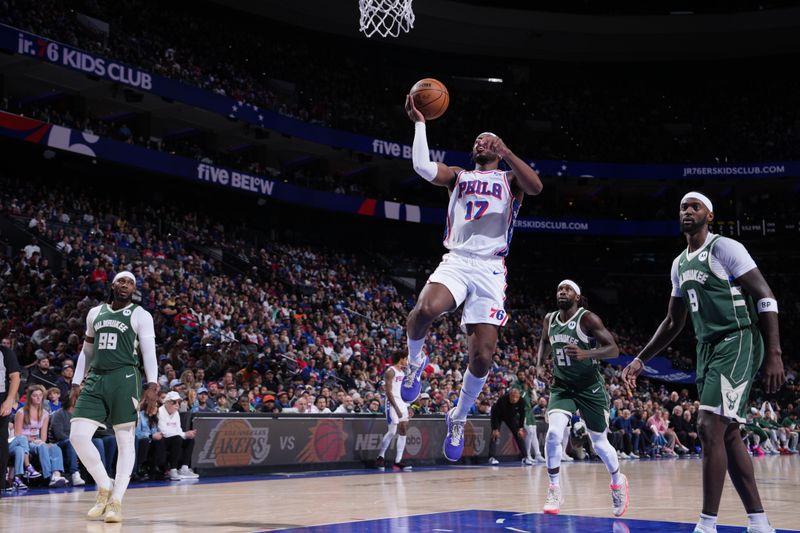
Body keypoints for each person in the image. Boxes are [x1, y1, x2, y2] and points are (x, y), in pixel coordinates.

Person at [622, 192, 785, 533]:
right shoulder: (679, 263)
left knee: (709, 425)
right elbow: (672, 322)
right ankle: (758, 522)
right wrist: (640, 359)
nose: (687, 211)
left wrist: (774, 352)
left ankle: (707, 524)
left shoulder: (725, 248)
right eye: (683, 207)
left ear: (709, 216)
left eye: (695, 206)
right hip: (707, 349)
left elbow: (765, 296)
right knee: (728, 435)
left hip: (738, 338)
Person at [401, 95, 544, 462]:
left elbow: (537, 187)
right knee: (425, 309)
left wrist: (508, 150)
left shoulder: (510, 179)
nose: (482, 141)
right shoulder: (459, 177)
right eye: (478, 140)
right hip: (458, 259)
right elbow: (421, 166)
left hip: (491, 269)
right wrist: (420, 123)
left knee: (482, 357)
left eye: (489, 139)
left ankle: (458, 415)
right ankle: (415, 363)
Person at [69, 271, 159, 523]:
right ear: (113, 285)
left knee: (125, 441)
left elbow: (149, 353)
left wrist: (152, 385)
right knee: (77, 435)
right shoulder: (95, 313)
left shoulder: (141, 315)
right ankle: (104, 485)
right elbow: (86, 350)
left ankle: (116, 500)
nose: (126, 285)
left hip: (125, 378)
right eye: (121, 281)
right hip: (96, 377)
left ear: (134, 289)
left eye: (130, 282)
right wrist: (77, 381)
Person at [536, 280, 627, 517]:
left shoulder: (588, 319)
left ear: (578, 296)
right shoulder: (550, 319)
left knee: (599, 444)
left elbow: (614, 349)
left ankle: (618, 481)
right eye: (559, 289)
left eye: (567, 289)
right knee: (554, 433)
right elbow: (545, 342)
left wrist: (586, 352)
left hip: (589, 387)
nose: (562, 292)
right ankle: (555, 487)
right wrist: (539, 364)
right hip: (562, 386)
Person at [15, 384, 68, 487]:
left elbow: (43, 434)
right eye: (35, 395)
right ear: (30, 397)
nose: (38, 398)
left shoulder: (44, 413)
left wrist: (42, 441)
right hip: (25, 443)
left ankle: (56, 474)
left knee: (54, 446)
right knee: (42, 446)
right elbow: (17, 434)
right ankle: (48, 476)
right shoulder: (21, 412)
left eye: (40, 395)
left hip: (37, 442)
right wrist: (32, 440)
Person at [375, 351, 413, 471]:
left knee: (403, 429)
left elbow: (405, 392)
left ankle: (398, 461)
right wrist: (396, 408)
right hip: (391, 403)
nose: (407, 361)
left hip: (402, 403)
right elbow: (388, 391)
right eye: (405, 359)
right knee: (392, 431)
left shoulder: (403, 372)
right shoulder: (390, 371)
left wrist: (408, 405)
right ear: (401, 359)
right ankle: (380, 457)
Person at [158, 391, 199, 481]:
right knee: (178, 438)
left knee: (190, 439)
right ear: (167, 402)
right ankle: (173, 470)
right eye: (174, 402)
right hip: (162, 440)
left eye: (178, 402)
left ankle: (184, 468)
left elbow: (178, 430)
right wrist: (184, 434)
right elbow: (164, 431)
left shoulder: (176, 413)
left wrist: (186, 435)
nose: (177, 405)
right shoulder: (160, 412)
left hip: (174, 438)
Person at [513, 369, 545, 463]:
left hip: (530, 410)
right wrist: (525, 390)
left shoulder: (527, 384)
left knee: (534, 432)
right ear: (517, 376)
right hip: (522, 411)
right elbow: (517, 397)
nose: (522, 376)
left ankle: (538, 454)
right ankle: (527, 455)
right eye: (520, 375)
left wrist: (533, 391)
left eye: (523, 375)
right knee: (529, 432)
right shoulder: (516, 385)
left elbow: (534, 397)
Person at [487, 388, 527, 465]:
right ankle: (491, 457)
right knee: (494, 435)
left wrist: (520, 428)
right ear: (509, 396)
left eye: (516, 397)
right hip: (498, 415)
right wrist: (495, 428)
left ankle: (525, 457)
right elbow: (495, 415)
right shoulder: (502, 400)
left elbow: (522, 415)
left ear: (519, 397)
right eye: (513, 397)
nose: (514, 399)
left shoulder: (522, 401)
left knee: (519, 434)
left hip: (510, 416)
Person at [1, 344, 21, 493]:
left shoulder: (5, 352)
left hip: (1, 397)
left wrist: (9, 400)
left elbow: (15, 377)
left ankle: (1, 482)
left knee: (1, 441)